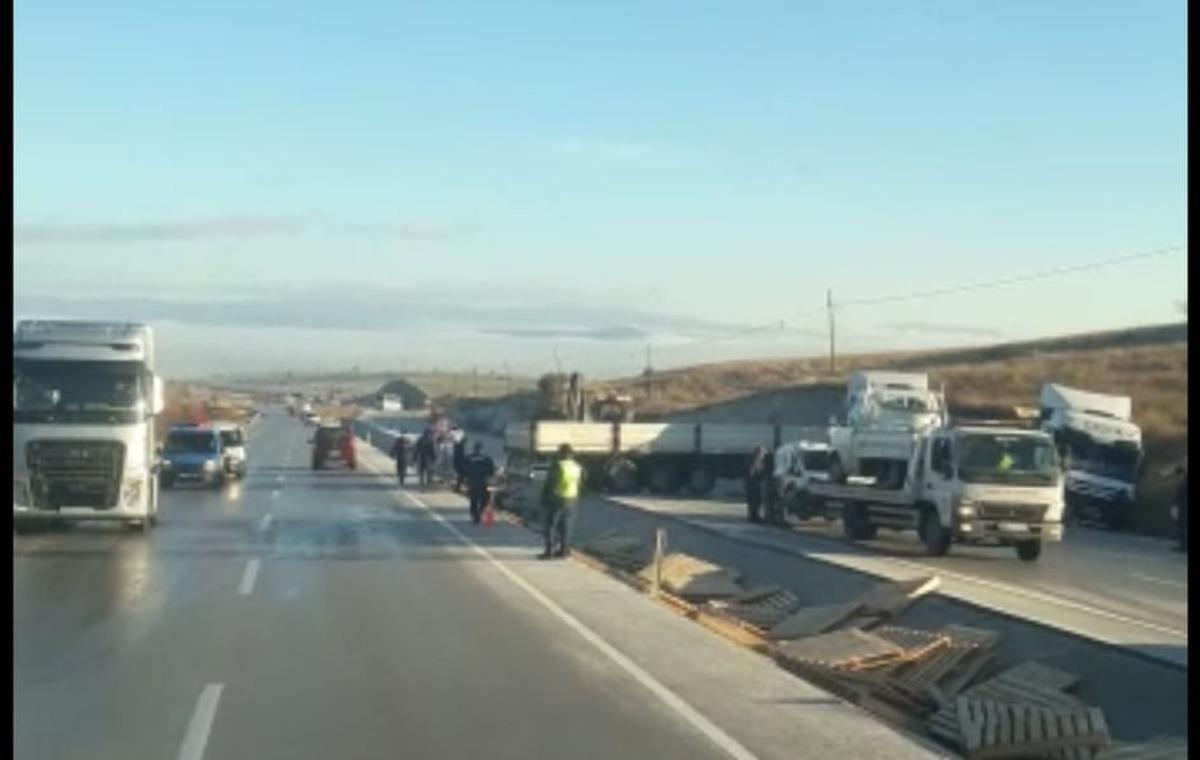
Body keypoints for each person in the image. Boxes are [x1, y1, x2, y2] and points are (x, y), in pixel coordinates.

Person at [540, 443, 584, 559]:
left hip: (557, 498)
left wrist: (543, 498)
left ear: (561, 453)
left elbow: (550, 483)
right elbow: (580, 483)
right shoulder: (576, 466)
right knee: (566, 526)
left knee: (550, 525)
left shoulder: (558, 466)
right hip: (572, 499)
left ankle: (549, 551)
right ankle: (564, 551)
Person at [464, 442, 496, 524]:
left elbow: (464, 470)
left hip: (473, 482)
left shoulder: (469, 457)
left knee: (473, 499)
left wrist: (466, 480)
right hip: (483, 482)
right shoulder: (486, 458)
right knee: (485, 499)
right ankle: (479, 512)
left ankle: (475, 513)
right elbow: (491, 470)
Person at [745, 446, 768, 523]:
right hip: (753, 485)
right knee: (754, 501)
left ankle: (754, 516)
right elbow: (753, 473)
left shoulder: (758, 461)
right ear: (758, 453)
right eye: (763, 453)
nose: (763, 455)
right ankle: (753, 517)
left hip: (755, 484)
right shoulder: (755, 461)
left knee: (756, 502)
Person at [1175, 467, 1188, 553]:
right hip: (1182, 507)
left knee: (1183, 526)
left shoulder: (1184, 484)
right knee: (1182, 526)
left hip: (1183, 508)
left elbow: (1180, 496)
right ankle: (1182, 545)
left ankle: (1183, 546)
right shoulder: (1183, 483)